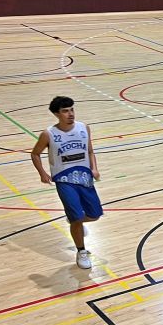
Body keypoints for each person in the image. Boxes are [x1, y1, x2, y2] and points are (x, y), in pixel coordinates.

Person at [30, 96, 102, 269]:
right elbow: (35, 153)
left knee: (94, 215)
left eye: (72, 109)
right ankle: (81, 251)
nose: (70, 114)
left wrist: (94, 168)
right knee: (76, 218)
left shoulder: (84, 128)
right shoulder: (48, 134)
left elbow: (90, 151)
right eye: (65, 111)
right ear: (57, 114)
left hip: (85, 177)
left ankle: (74, 220)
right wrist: (42, 173)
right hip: (64, 179)